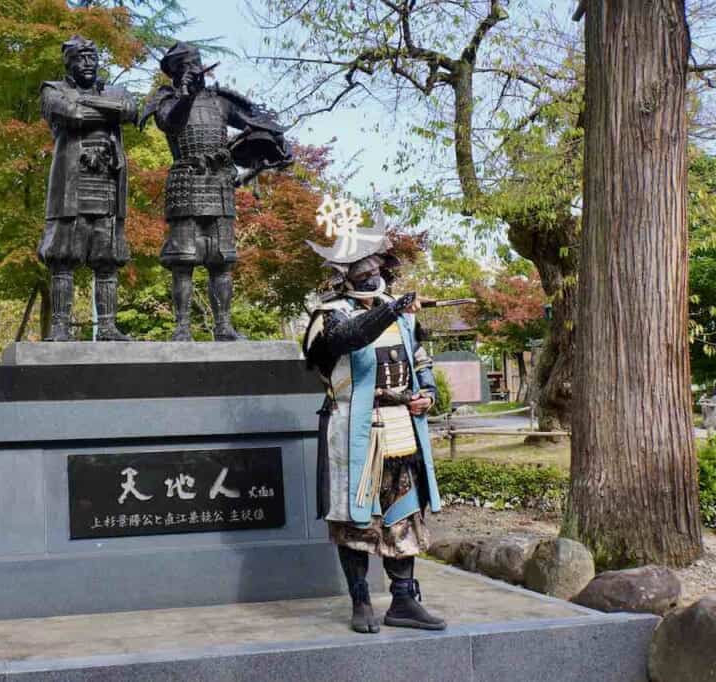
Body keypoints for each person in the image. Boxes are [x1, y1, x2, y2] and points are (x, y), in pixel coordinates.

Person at [302, 223, 446, 634]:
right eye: (360, 267)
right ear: (341, 274)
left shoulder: (399, 314)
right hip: (352, 430)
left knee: (403, 512)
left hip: (401, 424)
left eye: (375, 263)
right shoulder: (328, 316)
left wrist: (428, 394)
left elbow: (420, 360)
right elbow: (349, 340)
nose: (370, 272)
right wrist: (392, 307)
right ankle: (361, 600)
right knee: (355, 518)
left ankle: (403, 599)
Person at [141, 42, 290, 341]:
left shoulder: (220, 101)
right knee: (183, 261)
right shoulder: (166, 99)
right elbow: (171, 123)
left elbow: (258, 121)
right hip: (187, 179)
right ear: (175, 72)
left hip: (219, 183)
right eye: (187, 65)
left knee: (221, 259)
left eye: (197, 63)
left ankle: (223, 326)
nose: (195, 69)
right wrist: (185, 93)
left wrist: (277, 144)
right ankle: (182, 327)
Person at [39, 36, 138, 341]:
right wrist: (108, 110)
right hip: (72, 187)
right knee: (63, 257)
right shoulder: (53, 89)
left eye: (92, 57)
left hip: (108, 184)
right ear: (68, 61)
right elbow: (72, 115)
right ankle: (59, 326)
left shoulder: (114, 90)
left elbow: (131, 111)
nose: (88, 63)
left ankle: (107, 326)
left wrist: (89, 103)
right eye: (81, 58)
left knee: (107, 259)